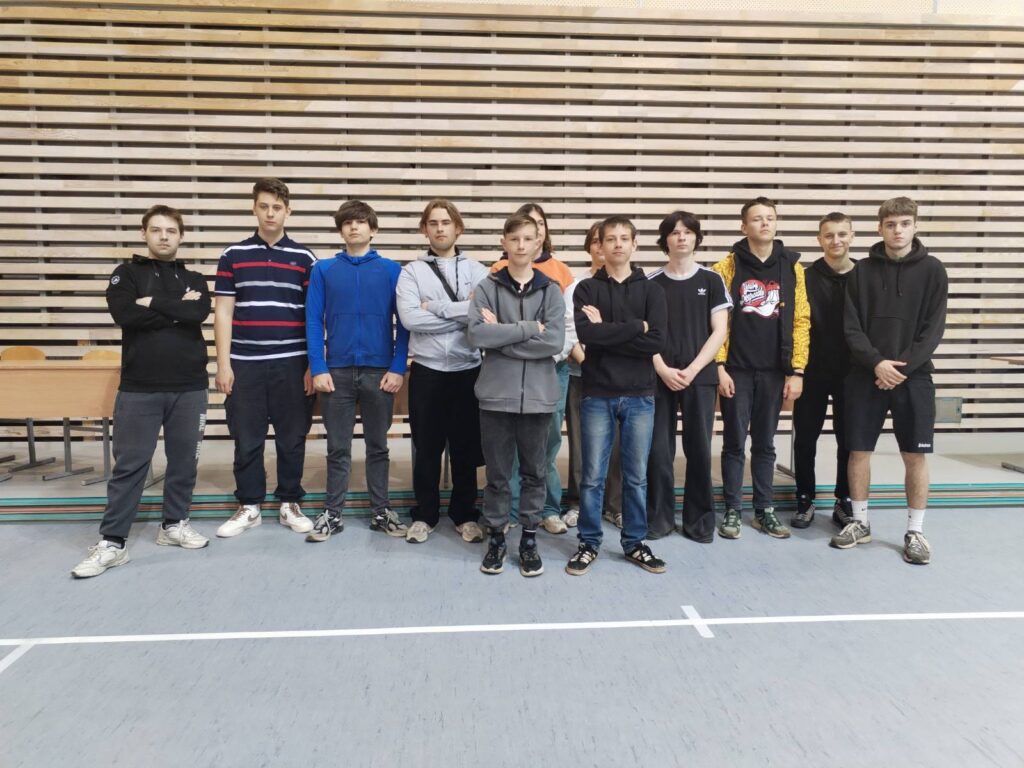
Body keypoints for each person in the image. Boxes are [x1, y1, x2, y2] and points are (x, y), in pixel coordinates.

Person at [72, 205, 211, 578]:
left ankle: (174, 524)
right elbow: (126, 315)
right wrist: (177, 310)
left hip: (190, 386)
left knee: (184, 462)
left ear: (181, 236)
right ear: (144, 234)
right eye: (156, 230)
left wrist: (153, 304)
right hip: (140, 388)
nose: (164, 236)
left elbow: (198, 314)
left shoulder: (195, 278)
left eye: (171, 230)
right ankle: (113, 542)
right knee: (130, 465)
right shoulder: (127, 274)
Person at [831, 197, 947, 565]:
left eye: (904, 224)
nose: (898, 230)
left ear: (915, 226)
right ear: (880, 228)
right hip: (865, 376)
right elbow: (851, 327)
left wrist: (899, 370)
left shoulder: (933, 271)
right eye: (891, 224)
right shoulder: (861, 271)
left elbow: (932, 330)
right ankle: (860, 522)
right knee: (858, 450)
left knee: (915, 454)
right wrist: (877, 364)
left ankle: (915, 531)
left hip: (914, 378)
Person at [214, 178, 317, 538]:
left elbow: (313, 315)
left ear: (288, 211)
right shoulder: (233, 255)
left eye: (277, 207)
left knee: (292, 438)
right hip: (245, 362)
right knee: (247, 438)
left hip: (293, 362)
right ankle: (250, 505)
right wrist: (223, 364)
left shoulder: (305, 258)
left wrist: (312, 364)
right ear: (254, 208)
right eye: (264, 206)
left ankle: (289, 502)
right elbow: (223, 312)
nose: (270, 213)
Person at [566, 216, 668, 576]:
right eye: (610, 239)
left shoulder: (653, 291)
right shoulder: (586, 290)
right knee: (592, 476)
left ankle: (634, 542)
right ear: (600, 246)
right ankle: (589, 542)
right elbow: (587, 336)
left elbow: (656, 341)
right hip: (597, 393)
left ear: (635, 244)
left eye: (625, 238)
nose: (618, 244)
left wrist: (607, 331)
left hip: (640, 394)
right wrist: (636, 327)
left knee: (636, 476)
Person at [304, 200, 409, 542]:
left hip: (379, 372)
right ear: (341, 230)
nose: (353, 227)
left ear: (373, 229)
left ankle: (381, 511)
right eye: (347, 222)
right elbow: (312, 320)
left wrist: (398, 367)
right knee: (338, 448)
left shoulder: (392, 270)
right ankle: (332, 513)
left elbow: (404, 323)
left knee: (378, 446)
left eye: (361, 221)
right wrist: (318, 366)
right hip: (336, 371)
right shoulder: (323, 270)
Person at [468, 213, 565, 576]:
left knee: (534, 473)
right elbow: (477, 335)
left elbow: (553, 342)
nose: (521, 245)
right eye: (514, 239)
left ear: (539, 243)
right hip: (496, 396)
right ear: (504, 243)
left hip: (538, 397)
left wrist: (503, 336)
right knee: (496, 475)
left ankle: (528, 539)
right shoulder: (487, 287)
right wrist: (527, 329)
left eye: (528, 239)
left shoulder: (551, 290)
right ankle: (496, 538)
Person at [713, 197, 809, 541]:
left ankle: (764, 509)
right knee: (734, 442)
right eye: (757, 218)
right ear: (744, 226)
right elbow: (717, 321)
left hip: (774, 371)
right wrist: (719, 366)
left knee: (766, 444)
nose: (764, 223)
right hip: (736, 369)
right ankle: (732, 508)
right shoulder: (725, 267)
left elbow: (801, 320)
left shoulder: (792, 267)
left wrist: (797, 370)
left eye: (770, 217)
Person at [395, 199, 489, 545]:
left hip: (468, 370)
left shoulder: (478, 270)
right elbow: (410, 318)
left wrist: (434, 307)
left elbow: (482, 313)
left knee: (466, 448)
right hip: (428, 370)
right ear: (425, 229)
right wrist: (461, 313)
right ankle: (425, 514)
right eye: (433, 223)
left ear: (457, 228)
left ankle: (465, 514)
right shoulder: (411, 272)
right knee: (427, 448)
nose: (439, 228)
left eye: (446, 222)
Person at [646, 211, 730, 542]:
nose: (681, 237)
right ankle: (659, 518)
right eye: (674, 232)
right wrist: (662, 368)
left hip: (700, 377)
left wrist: (694, 369)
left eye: (688, 232)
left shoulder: (712, 280)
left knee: (699, 449)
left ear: (696, 238)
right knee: (658, 451)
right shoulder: (651, 283)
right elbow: (644, 333)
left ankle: (700, 522)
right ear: (665, 240)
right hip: (659, 377)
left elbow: (719, 331)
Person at [492, 203, 574, 535]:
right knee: (512, 448)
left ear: (543, 233)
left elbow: (562, 332)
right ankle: (513, 511)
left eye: (539, 225)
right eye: (526, 228)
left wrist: (540, 351)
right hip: (507, 372)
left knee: (547, 445)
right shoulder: (497, 271)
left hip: (551, 370)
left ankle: (549, 509)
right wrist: (527, 338)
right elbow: (488, 330)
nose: (532, 233)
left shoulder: (560, 273)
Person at [791, 212, 856, 530]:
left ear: (852, 236)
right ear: (819, 239)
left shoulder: (864, 275)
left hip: (852, 373)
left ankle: (844, 500)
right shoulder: (805, 276)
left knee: (849, 439)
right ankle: (805, 498)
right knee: (805, 438)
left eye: (842, 234)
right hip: (813, 370)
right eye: (829, 235)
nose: (836, 240)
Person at [563, 222, 623, 529]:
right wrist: (590, 364)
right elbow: (569, 331)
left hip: (619, 376)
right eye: (597, 241)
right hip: (582, 373)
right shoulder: (576, 287)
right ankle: (577, 503)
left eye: (608, 240)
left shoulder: (627, 285)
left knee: (617, 444)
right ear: (590, 247)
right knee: (580, 442)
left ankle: (614, 505)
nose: (603, 247)